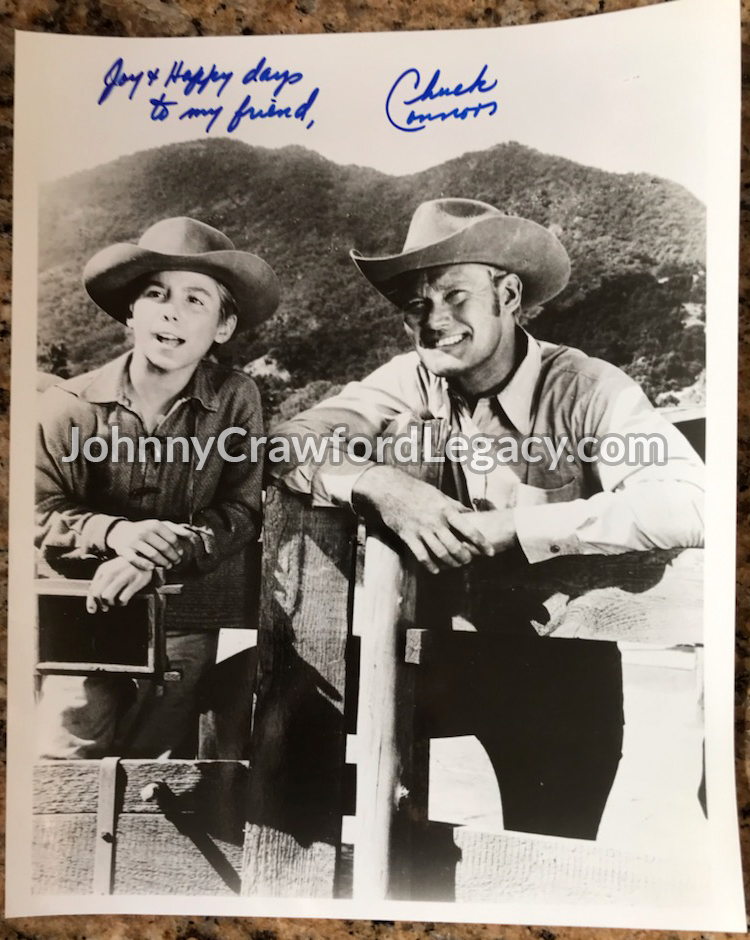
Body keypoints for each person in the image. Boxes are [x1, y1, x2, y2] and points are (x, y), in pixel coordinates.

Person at [269, 198, 705, 839]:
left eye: (455, 296)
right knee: (281, 717)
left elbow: (689, 501)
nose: (434, 321)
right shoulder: (411, 380)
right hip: (434, 653)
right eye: (417, 305)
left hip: (559, 668)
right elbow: (285, 444)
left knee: (546, 856)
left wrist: (518, 530)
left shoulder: (590, 388)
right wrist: (378, 484)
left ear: (508, 295)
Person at [35, 217, 279, 759]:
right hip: (83, 620)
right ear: (131, 312)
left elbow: (241, 509)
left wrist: (159, 554)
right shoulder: (69, 406)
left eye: (196, 299)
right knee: (65, 758)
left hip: (184, 622)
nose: (172, 311)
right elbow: (39, 508)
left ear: (223, 326)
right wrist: (115, 534)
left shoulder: (235, 399)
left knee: (159, 777)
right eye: (156, 294)